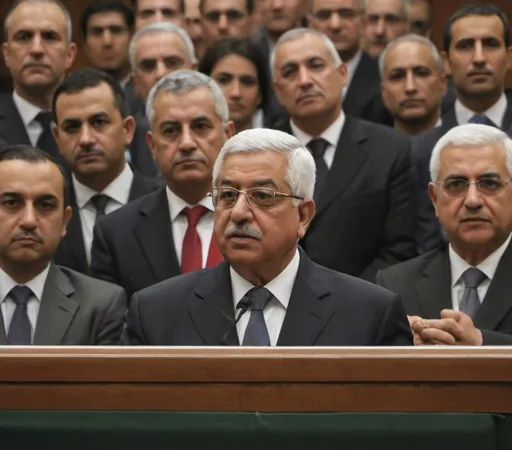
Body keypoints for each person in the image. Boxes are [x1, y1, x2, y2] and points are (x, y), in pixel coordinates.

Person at [123, 128, 413, 346]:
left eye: (262, 196)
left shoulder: (370, 314)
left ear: (303, 216)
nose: (238, 213)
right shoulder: (155, 313)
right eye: (226, 195)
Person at [271, 28, 416, 281]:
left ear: (342, 74)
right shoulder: (262, 154)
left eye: (316, 65)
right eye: (290, 72)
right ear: (277, 89)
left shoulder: (391, 150)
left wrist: (349, 302)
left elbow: (401, 249)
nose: (304, 80)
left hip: (365, 306)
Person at [90, 70, 235, 298]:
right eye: (171, 131)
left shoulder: (262, 218)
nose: (186, 143)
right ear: (152, 145)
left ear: (228, 135)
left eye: (200, 127)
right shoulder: (116, 235)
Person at [377, 125, 512, 344]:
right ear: (434, 199)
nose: (473, 201)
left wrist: (481, 343)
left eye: (489, 183)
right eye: (456, 184)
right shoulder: (395, 285)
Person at [0, 145, 126, 345]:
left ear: (65, 222)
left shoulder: (101, 305)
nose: (29, 221)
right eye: (12, 203)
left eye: (45, 205)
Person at [413, 3, 512, 253]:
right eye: (465, 46)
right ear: (445, 62)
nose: (479, 58)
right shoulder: (421, 150)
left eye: (490, 44)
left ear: (508, 56)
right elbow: (423, 244)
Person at [52, 68, 160, 274]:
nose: (85, 139)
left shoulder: (164, 202)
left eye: (98, 122)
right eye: (72, 127)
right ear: (57, 138)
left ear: (127, 129)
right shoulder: (45, 208)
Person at [0, 0, 77, 164]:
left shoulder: (93, 125)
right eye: (24, 37)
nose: (37, 49)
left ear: (70, 55)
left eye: (49, 37)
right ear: (6, 54)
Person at [128, 22, 197, 176]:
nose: (161, 73)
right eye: (148, 65)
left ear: (194, 70)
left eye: (172, 62)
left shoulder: (217, 126)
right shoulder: (125, 138)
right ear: (135, 82)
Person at [307, 0, 385, 123]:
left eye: (346, 14)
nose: (335, 25)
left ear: (364, 22)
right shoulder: (297, 81)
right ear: (310, 23)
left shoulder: (384, 78)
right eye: (324, 15)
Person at [198, 37, 271, 132]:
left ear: (260, 93)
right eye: (224, 80)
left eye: (247, 82)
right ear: (203, 87)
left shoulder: (281, 144)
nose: (236, 93)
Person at [379, 34, 446, 136]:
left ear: (443, 83)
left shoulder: (465, 146)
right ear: (383, 91)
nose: (410, 87)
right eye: (397, 76)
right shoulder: (367, 151)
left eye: (422, 73)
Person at [80, 0, 134, 87]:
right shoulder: (72, 95)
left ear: (132, 38)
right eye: (97, 32)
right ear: (86, 45)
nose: (107, 41)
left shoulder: (148, 93)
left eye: (116, 30)